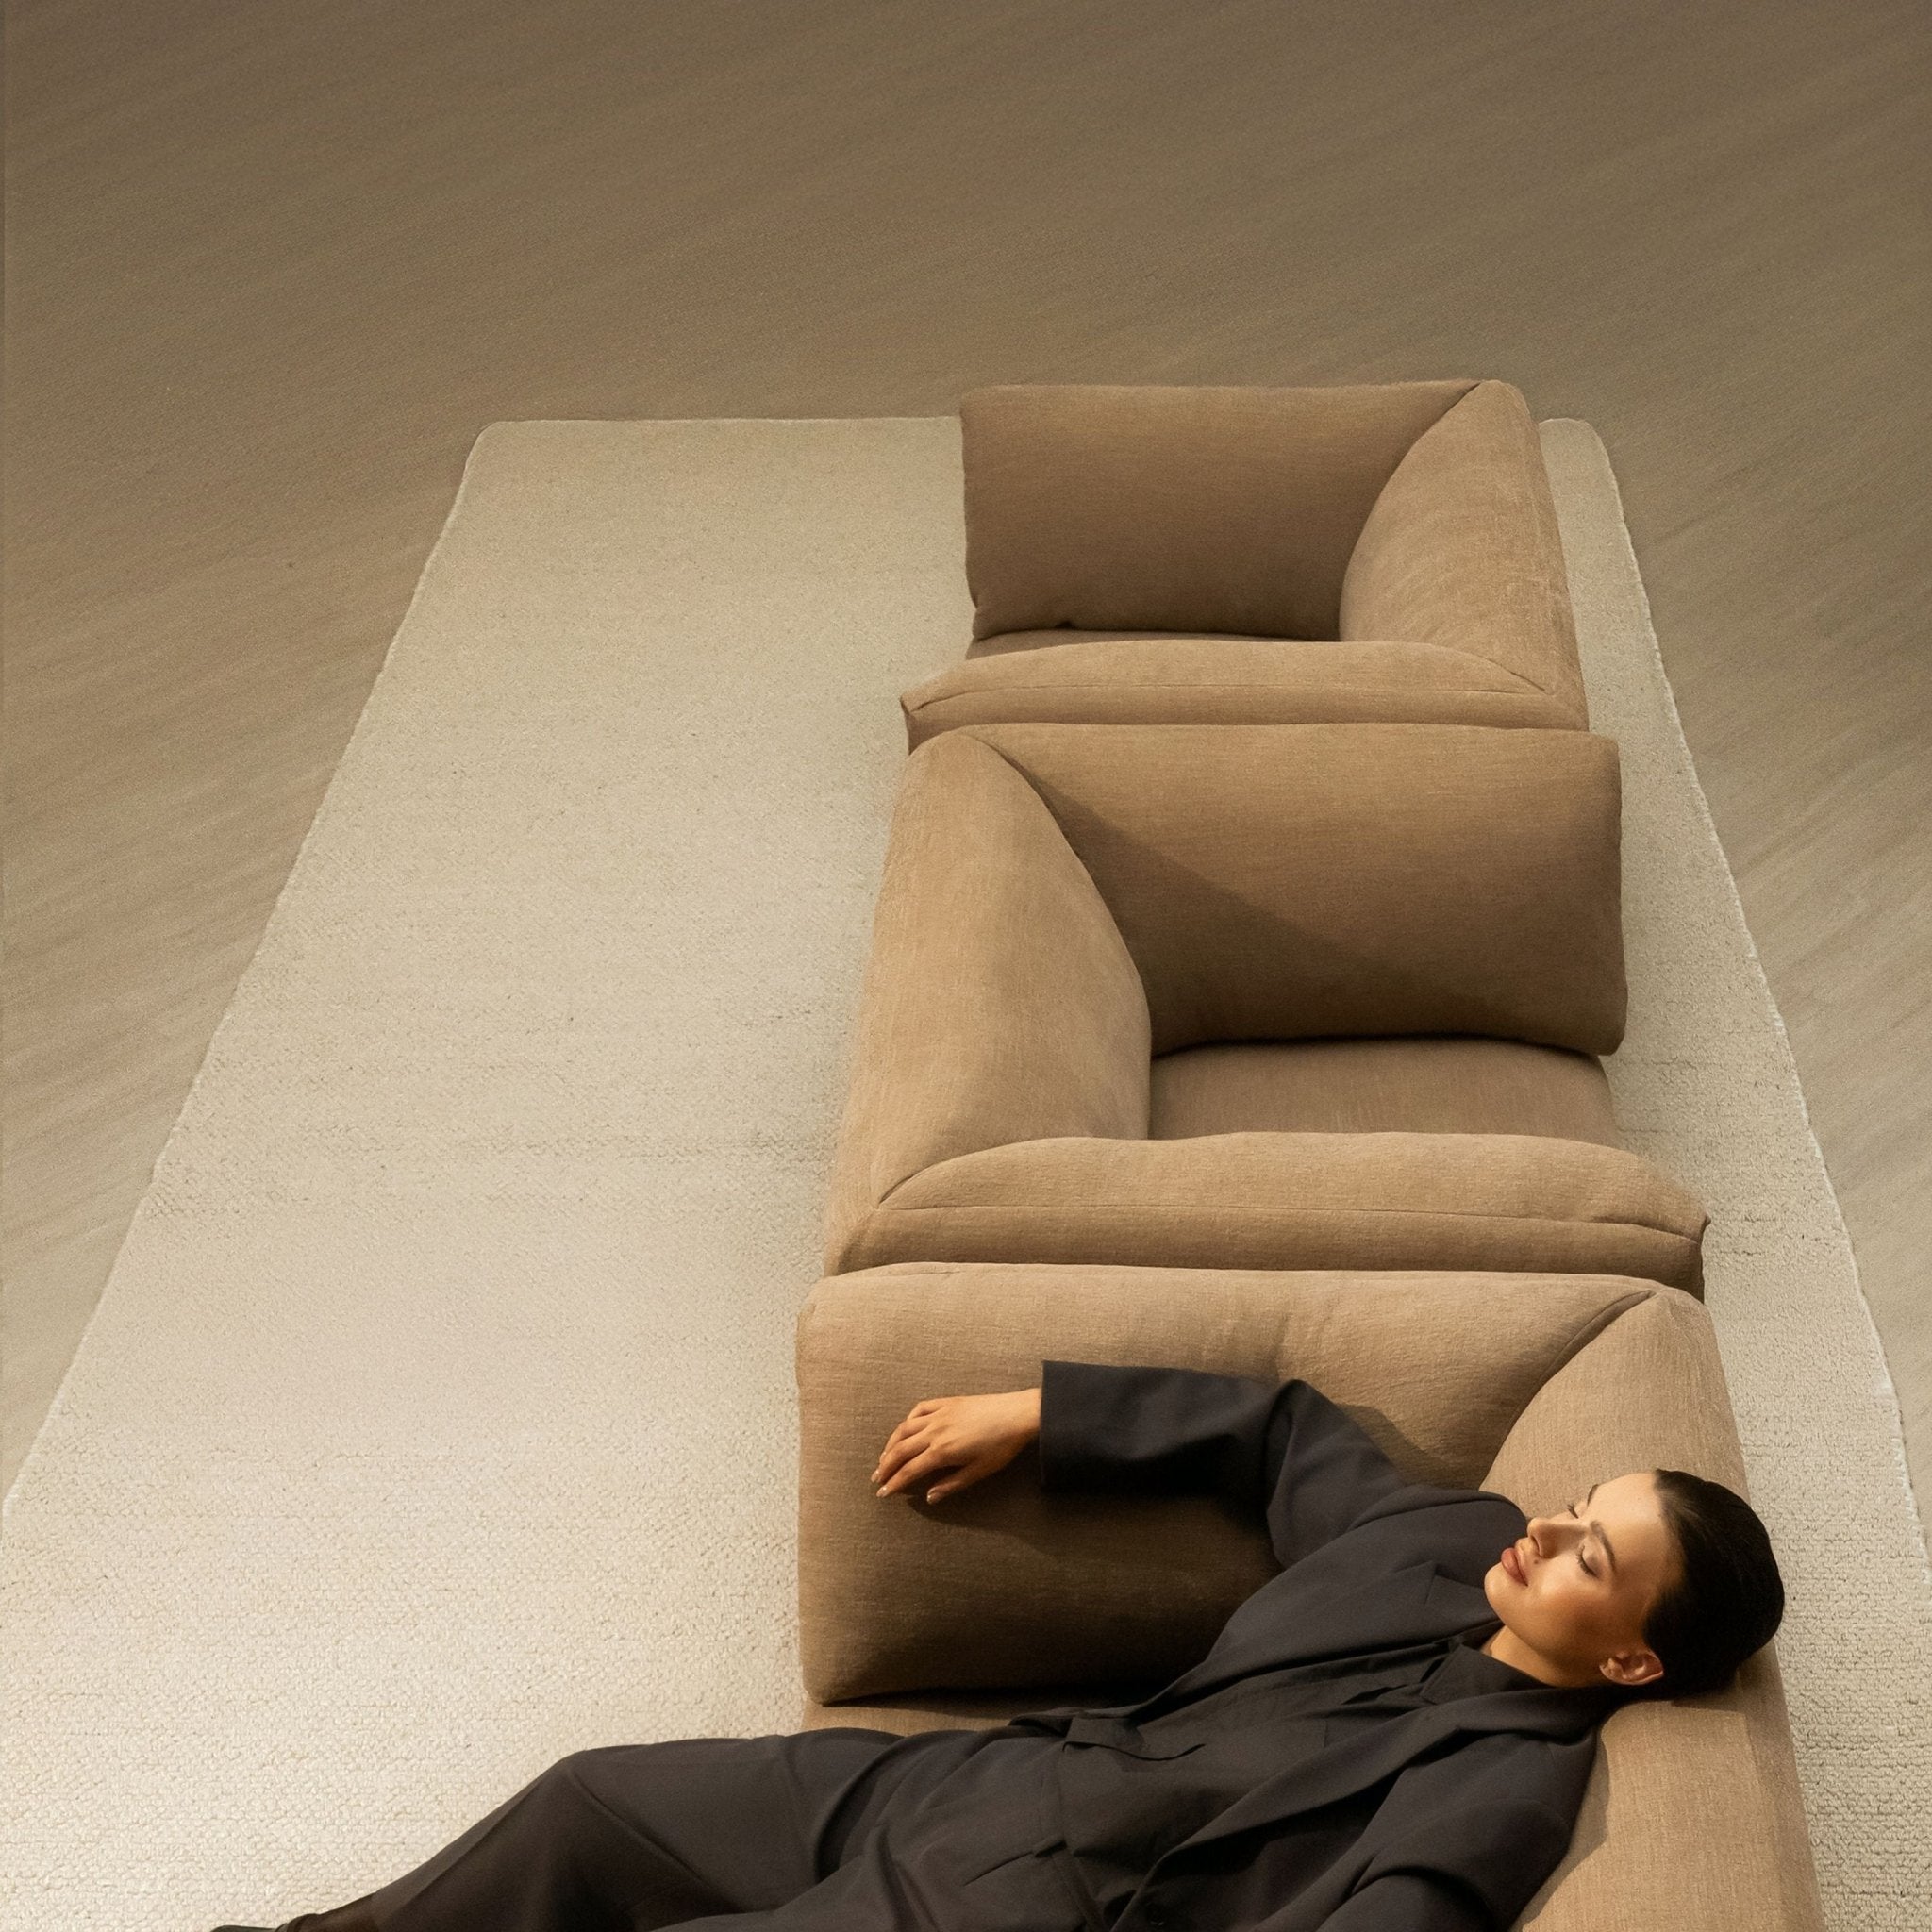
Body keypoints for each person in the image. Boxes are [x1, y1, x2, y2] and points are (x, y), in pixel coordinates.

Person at [216, 1359, 1784, 1932]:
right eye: (1579, 1504)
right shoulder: (1444, 1542)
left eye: (1593, 1554)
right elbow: (1281, 1428)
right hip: (978, 1780)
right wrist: (1041, 1413)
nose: (1549, 1531)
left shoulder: (1502, 1782)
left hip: (1033, 1909)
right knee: (590, 1806)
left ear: (1634, 1662)